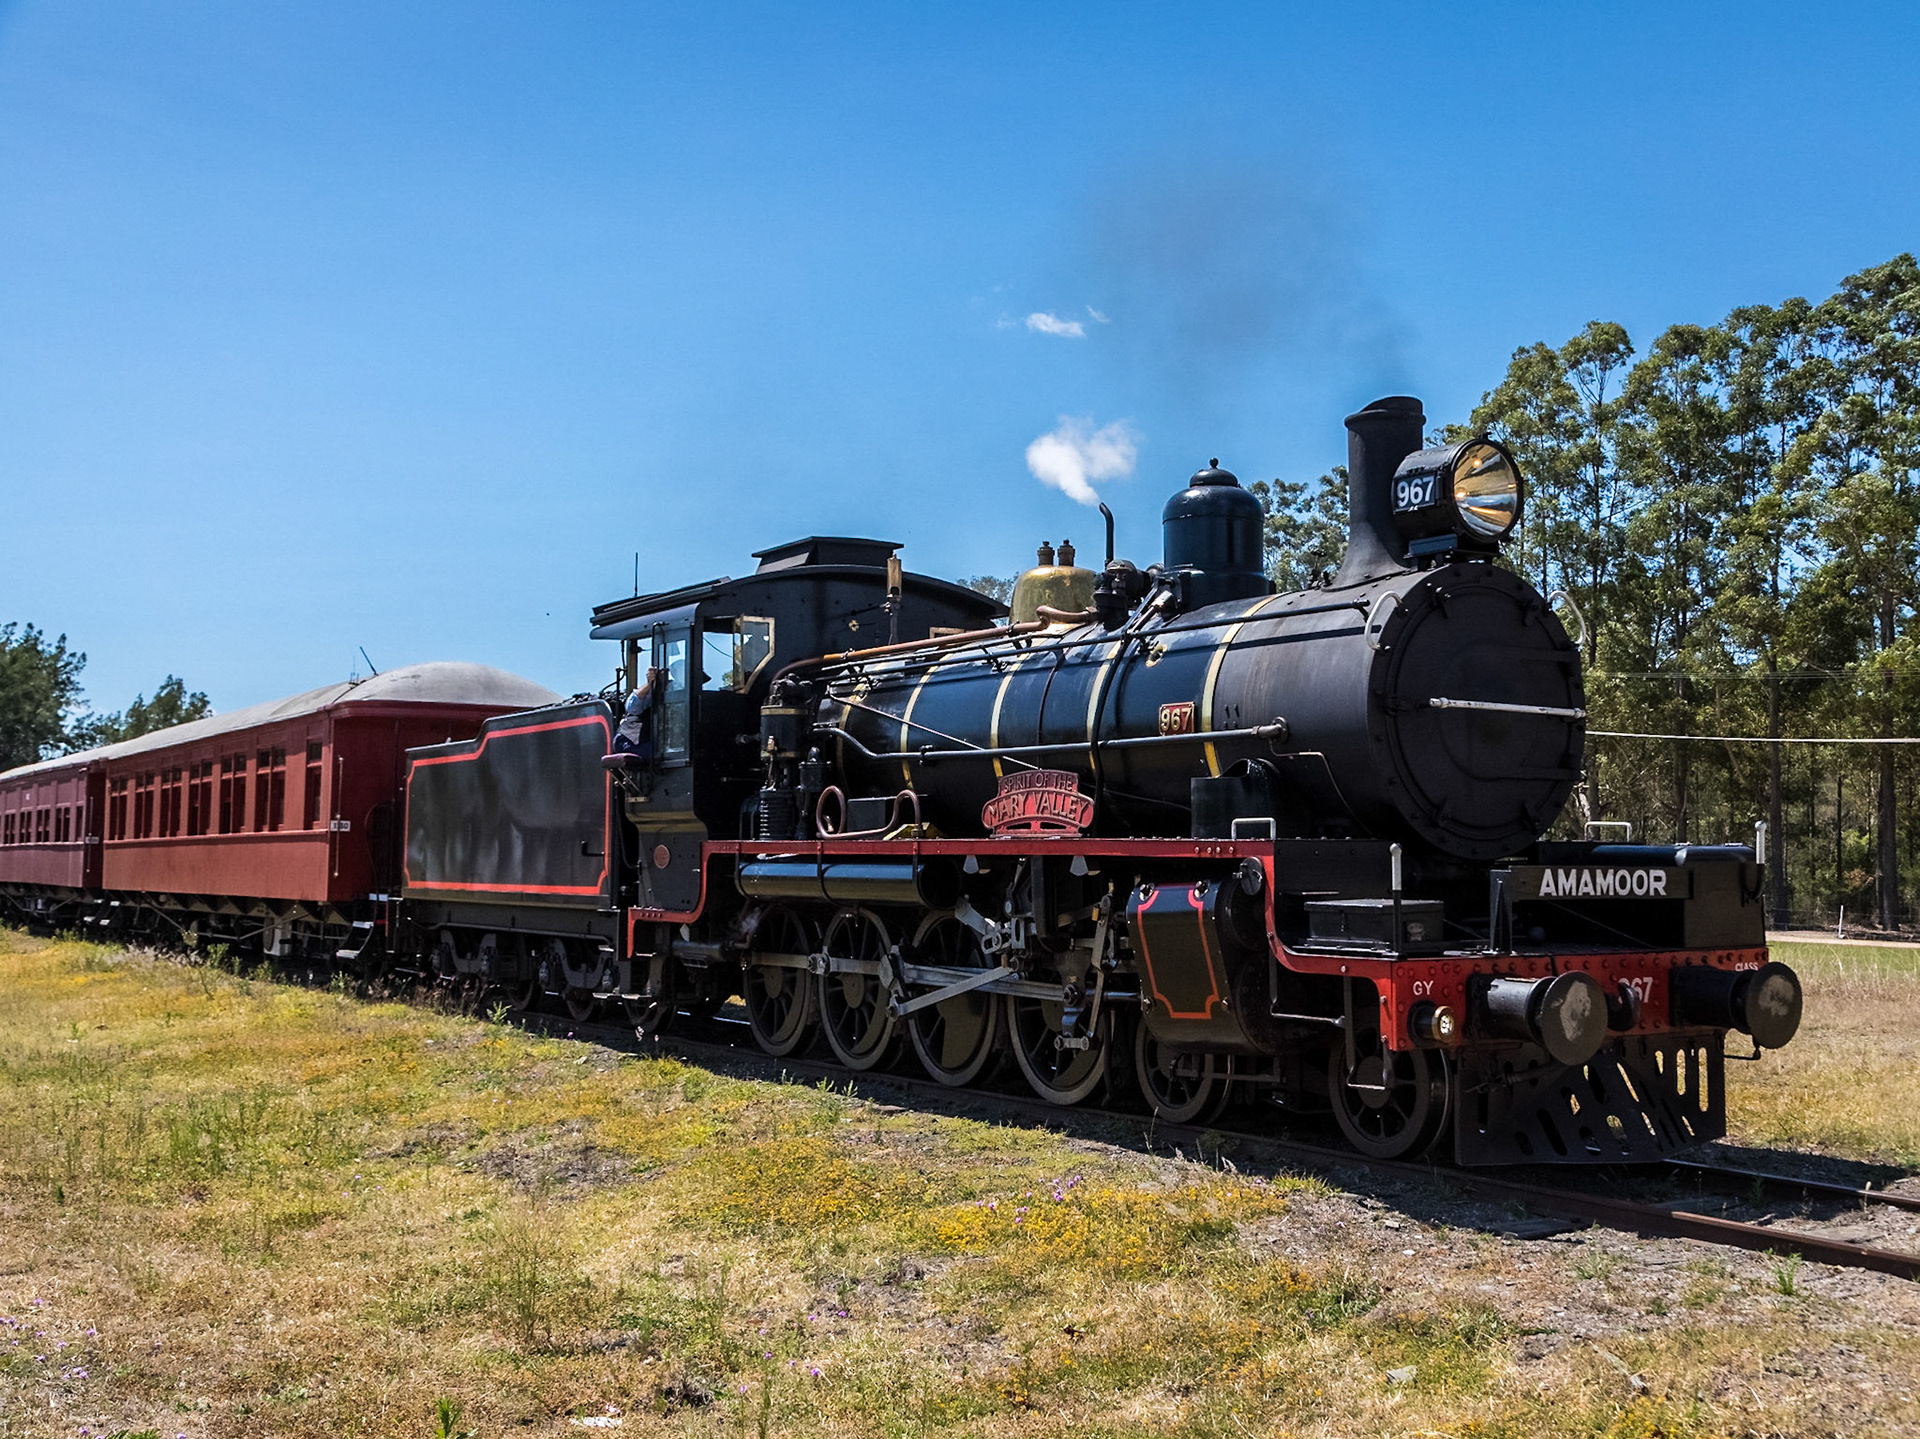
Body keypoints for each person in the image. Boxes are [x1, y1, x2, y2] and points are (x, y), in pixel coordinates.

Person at [612, 666, 664, 761]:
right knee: (660, 752)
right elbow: (632, 706)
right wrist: (649, 684)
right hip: (629, 742)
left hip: (646, 741)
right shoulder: (648, 693)